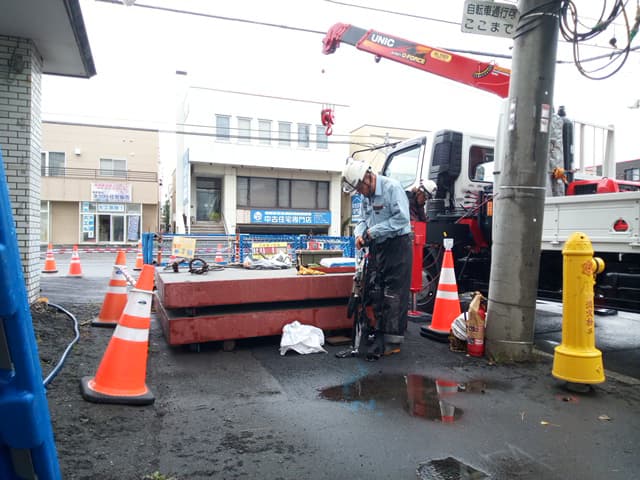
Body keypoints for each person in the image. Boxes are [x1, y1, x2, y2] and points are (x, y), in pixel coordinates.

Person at [341, 157, 413, 360]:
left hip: (398, 245)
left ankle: (393, 341)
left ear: (367, 178)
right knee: (378, 290)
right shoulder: (366, 198)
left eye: (360, 188)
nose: (360, 193)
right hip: (379, 246)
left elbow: (402, 219)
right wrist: (359, 234)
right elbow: (362, 220)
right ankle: (381, 334)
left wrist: (373, 232)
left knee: (394, 293)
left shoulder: (392, 188)